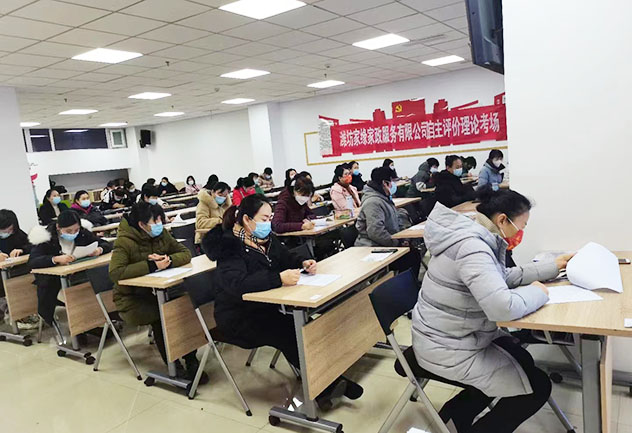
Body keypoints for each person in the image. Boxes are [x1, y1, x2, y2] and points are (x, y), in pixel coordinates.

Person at [411, 190, 574, 433]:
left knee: (521, 360)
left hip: (452, 338)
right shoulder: (472, 248)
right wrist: (539, 292)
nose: (521, 232)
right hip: (444, 347)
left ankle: (454, 417)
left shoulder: (475, 235)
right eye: (522, 226)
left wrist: (552, 267)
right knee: (537, 387)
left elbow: (501, 277)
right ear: (502, 220)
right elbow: (502, 307)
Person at [203, 194, 363, 408]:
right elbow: (238, 284)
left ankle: (328, 378)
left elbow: (286, 258)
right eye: (264, 218)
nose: (268, 223)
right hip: (237, 317)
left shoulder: (266, 239)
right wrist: (277, 278)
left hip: (264, 309)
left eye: (270, 218)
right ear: (247, 220)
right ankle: (324, 386)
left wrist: (303, 262)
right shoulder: (229, 247)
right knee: (288, 331)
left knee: (307, 327)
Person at [108, 202, 203, 381]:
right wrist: (151, 265)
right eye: (155, 221)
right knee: (164, 315)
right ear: (142, 224)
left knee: (183, 307)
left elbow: (185, 253)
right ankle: (173, 365)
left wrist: (168, 260)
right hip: (132, 299)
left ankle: (191, 358)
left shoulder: (162, 234)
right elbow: (115, 273)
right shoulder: (124, 241)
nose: (160, 224)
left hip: (160, 292)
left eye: (161, 220)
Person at [29, 211, 111, 325]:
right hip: (53, 282)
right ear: (58, 227)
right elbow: (33, 261)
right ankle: (82, 325)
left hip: (79, 277)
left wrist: (99, 250)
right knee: (78, 295)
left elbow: (106, 244)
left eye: (76, 230)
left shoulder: (82, 233)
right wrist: (55, 259)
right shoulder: (45, 238)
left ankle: (97, 321)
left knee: (97, 284)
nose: (73, 233)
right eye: (68, 231)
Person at [354, 167, 421, 279]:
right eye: (392, 182)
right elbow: (376, 232)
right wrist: (397, 243)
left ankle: (406, 283)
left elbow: (396, 221)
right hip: (373, 247)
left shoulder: (384, 198)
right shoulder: (373, 202)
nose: (394, 185)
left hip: (385, 243)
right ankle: (404, 285)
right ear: (384, 183)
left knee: (413, 253)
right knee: (411, 257)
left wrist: (403, 239)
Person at [0, 210, 33, 325]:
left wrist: (22, 250)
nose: (7, 233)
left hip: (17, 272)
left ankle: (23, 314)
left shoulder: (18, 234)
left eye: (10, 230)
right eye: (3, 230)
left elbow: (32, 246)